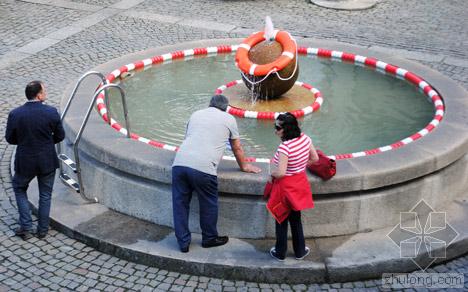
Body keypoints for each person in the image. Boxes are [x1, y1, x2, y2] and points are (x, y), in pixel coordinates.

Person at [172, 95, 261, 253]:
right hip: (203, 168)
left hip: (179, 164)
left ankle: (183, 243)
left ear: (209, 104)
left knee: (180, 205)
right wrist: (245, 166)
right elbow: (237, 147)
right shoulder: (229, 119)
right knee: (208, 203)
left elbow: (189, 138)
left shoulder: (196, 114)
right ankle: (209, 238)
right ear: (226, 108)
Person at [5, 81, 65, 240]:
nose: (45, 93)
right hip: (46, 160)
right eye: (44, 91)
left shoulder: (15, 114)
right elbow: (60, 136)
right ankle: (42, 230)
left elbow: (10, 139)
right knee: (45, 195)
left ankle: (26, 227)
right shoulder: (51, 112)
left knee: (19, 188)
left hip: (25, 161)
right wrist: (46, 143)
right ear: (39, 95)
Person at [266, 112, 319, 261]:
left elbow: (281, 173)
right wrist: (300, 166)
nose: (275, 130)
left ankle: (280, 252)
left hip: (285, 187)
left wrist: (271, 175)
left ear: (286, 129)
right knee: (296, 219)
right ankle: (300, 251)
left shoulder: (285, 147)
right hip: (299, 183)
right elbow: (315, 158)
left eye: (277, 127)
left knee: (281, 218)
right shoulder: (306, 139)